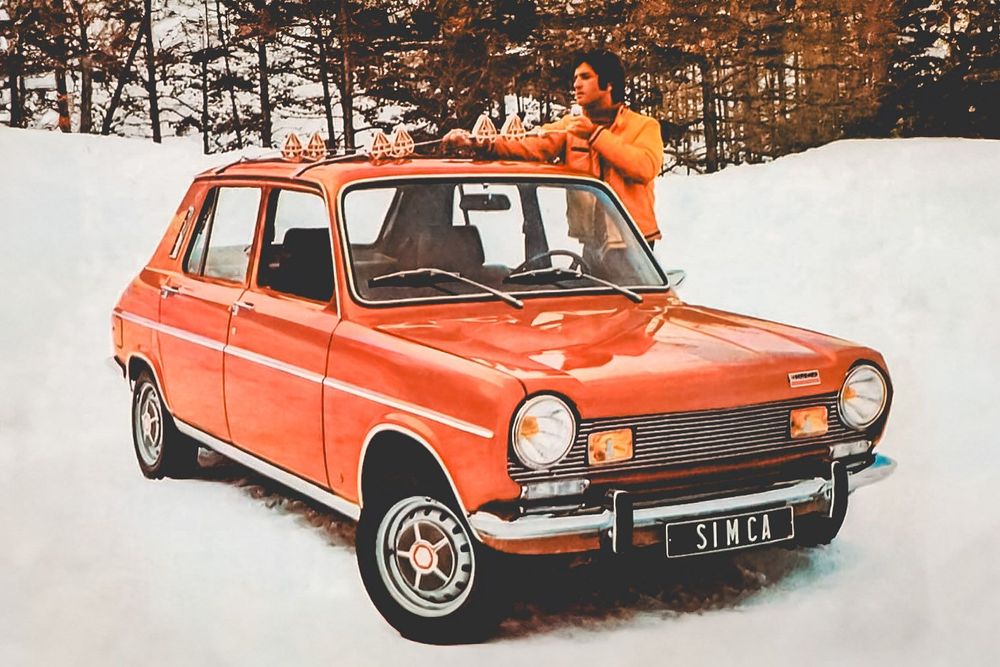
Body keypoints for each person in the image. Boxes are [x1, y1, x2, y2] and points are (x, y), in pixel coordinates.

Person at [443, 49, 664, 246]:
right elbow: (532, 143)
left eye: (585, 77)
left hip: (634, 241)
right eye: (575, 78)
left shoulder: (644, 126)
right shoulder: (570, 126)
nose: (576, 84)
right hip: (591, 242)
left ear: (609, 84)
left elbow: (644, 168)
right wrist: (482, 143)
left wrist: (595, 135)